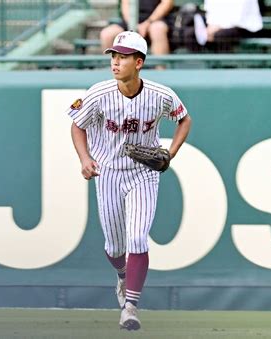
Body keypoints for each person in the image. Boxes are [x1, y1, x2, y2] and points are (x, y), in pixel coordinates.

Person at [66, 31, 192, 330]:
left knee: (137, 238)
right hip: (108, 172)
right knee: (114, 246)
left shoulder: (160, 95)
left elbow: (184, 118)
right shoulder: (98, 93)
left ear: (138, 62)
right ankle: (122, 276)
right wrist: (85, 159)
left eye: (122, 57)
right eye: (113, 56)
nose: (115, 62)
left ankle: (130, 306)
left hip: (143, 173)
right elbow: (77, 125)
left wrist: (170, 153)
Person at [100, 0, 176, 56]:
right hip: (131, 21)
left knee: (157, 29)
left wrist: (148, 23)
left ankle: (161, 71)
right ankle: (113, 72)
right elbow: (125, 4)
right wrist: (133, 25)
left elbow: (167, 3)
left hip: (157, 19)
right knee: (107, 34)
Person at [183, 0, 263, 52]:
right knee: (190, 34)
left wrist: (216, 27)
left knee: (220, 36)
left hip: (245, 26)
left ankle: (224, 69)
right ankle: (205, 67)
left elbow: (238, 17)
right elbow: (210, 11)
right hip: (216, 26)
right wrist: (210, 27)